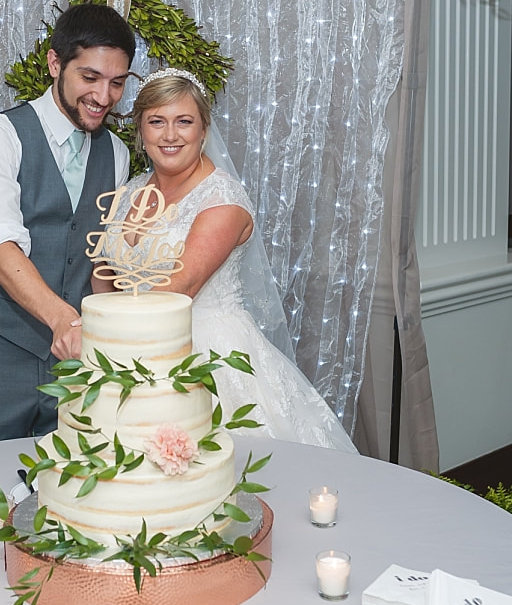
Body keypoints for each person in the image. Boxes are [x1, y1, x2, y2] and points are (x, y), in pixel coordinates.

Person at [98, 68, 358, 452]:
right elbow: (103, 270)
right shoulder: (131, 191)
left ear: (203, 131)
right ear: (141, 129)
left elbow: (179, 287)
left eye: (184, 122)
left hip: (206, 354)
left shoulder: (222, 199)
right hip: (128, 343)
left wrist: (113, 330)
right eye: (157, 122)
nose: (170, 135)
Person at [0, 3, 136, 448]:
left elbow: (100, 260)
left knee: (68, 501)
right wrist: (64, 322)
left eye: (117, 82)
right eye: (90, 78)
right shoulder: (0, 136)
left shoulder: (117, 155)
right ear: (55, 63)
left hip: (76, 370)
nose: (104, 97)